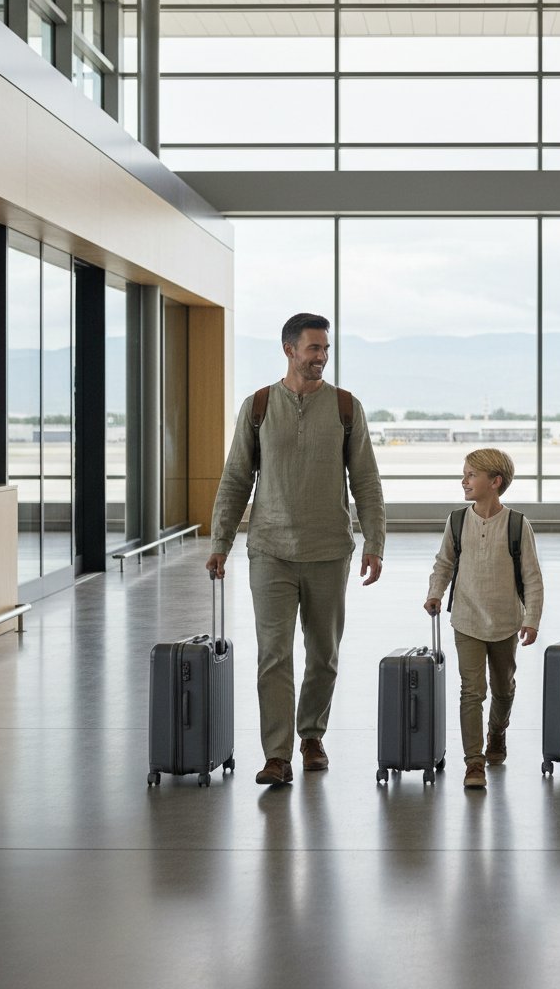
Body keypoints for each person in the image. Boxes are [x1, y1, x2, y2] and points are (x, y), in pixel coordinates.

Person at [206, 313, 385, 786]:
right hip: (270, 550)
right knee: (273, 654)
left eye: (325, 349)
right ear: (289, 350)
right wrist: (220, 541)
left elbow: (366, 480)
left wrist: (375, 542)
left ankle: (311, 735)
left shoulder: (346, 408)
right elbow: (236, 478)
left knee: (323, 653)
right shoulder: (259, 406)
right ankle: (277, 755)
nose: (321, 357)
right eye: (313, 349)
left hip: (329, 550)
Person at [424, 448, 544, 790]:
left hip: (506, 621)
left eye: (471, 475)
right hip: (466, 619)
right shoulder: (457, 520)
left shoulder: (518, 524)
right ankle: (473, 762)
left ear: (495, 482)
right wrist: (435, 592)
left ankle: (497, 731)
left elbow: (532, 577)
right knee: (470, 690)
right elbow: (444, 562)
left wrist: (532, 618)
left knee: (503, 689)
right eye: (464, 474)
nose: (464, 481)